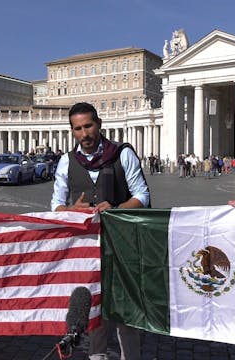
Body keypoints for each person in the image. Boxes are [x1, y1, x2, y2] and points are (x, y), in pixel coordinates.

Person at [51, 102, 149, 360]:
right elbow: (55, 206)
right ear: (72, 131)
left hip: (122, 247)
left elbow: (142, 195)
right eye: (78, 129)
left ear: (99, 124)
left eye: (88, 126)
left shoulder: (123, 154)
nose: (85, 134)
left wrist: (117, 208)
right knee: (94, 314)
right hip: (86, 250)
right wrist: (71, 209)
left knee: (125, 315)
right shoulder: (66, 161)